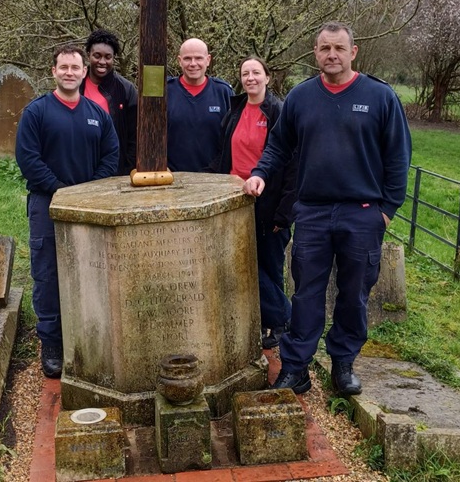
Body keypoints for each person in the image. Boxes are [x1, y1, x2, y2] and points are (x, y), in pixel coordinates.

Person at [243, 22, 411, 396]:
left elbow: (399, 159)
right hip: (314, 212)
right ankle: (296, 368)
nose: (331, 55)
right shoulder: (302, 98)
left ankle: (343, 363)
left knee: (353, 294)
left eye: (339, 48)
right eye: (324, 49)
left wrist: (385, 211)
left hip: (362, 212)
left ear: (353, 52)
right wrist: (260, 174)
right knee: (306, 294)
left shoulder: (380, 97)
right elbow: (278, 147)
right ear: (315, 53)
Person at [15, 45, 119, 378]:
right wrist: (61, 190)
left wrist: (87, 192)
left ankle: (90, 336)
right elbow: (28, 160)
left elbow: (111, 155)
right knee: (48, 273)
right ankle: (53, 343)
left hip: (88, 206)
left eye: (76, 67)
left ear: (84, 72)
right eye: (64, 67)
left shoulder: (97, 113)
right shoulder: (37, 112)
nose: (70, 72)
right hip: (47, 204)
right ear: (54, 71)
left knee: (91, 271)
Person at [212, 57, 296, 350]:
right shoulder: (235, 109)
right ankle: (264, 323)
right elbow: (224, 154)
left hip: (268, 202)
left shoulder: (278, 111)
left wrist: (284, 213)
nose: (250, 78)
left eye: (256, 73)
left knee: (269, 266)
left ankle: (283, 321)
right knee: (242, 263)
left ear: (268, 78)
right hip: (236, 200)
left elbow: (291, 165)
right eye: (245, 73)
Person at [166, 38, 233, 172]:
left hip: (214, 178)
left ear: (208, 60)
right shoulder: (164, 91)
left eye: (198, 58)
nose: (193, 63)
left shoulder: (224, 92)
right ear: (179, 61)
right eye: (187, 59)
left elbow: (231, 139)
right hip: (173, 179)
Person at [80, 29, 138, 176]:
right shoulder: (76, 85)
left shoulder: (126, 89)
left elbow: (135, 135)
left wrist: (127, 168)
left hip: (114, 169)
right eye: (97, 56)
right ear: (88, 55)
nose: (102, 62)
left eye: (108, 57)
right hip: (81, 165)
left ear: (114, 59)